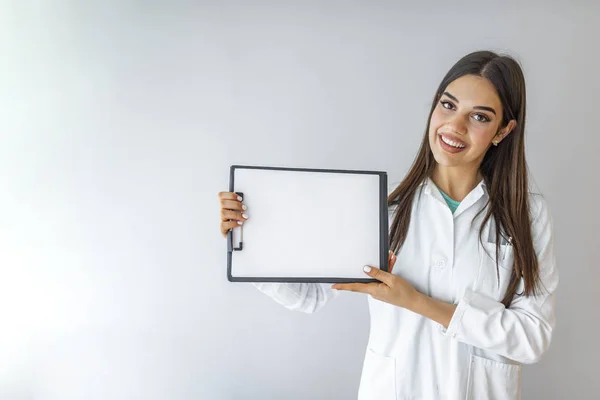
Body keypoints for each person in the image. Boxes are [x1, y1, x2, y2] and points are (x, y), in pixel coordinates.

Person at [217, 50, 558, 400]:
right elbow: (310, 295)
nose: (455, 126)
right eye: (448, 105)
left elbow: (532, 338)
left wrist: (416, 302)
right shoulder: (384, 207)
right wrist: (249, 235)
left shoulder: (526, 215)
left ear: (504, 130)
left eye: (480, 117)